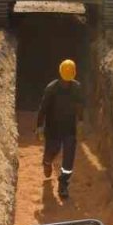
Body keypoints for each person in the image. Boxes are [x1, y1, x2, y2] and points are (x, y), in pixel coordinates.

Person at [36, 58, 84, 200]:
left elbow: (79, 105)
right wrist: (39, 126)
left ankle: (63, 184)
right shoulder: (51, 88)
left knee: (68, 158)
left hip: (69, 129)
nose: (66, 82)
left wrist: (80, 121)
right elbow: (43, 108)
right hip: (53, 129)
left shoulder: (76, 87)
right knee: (53, 150)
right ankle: (47, 162)